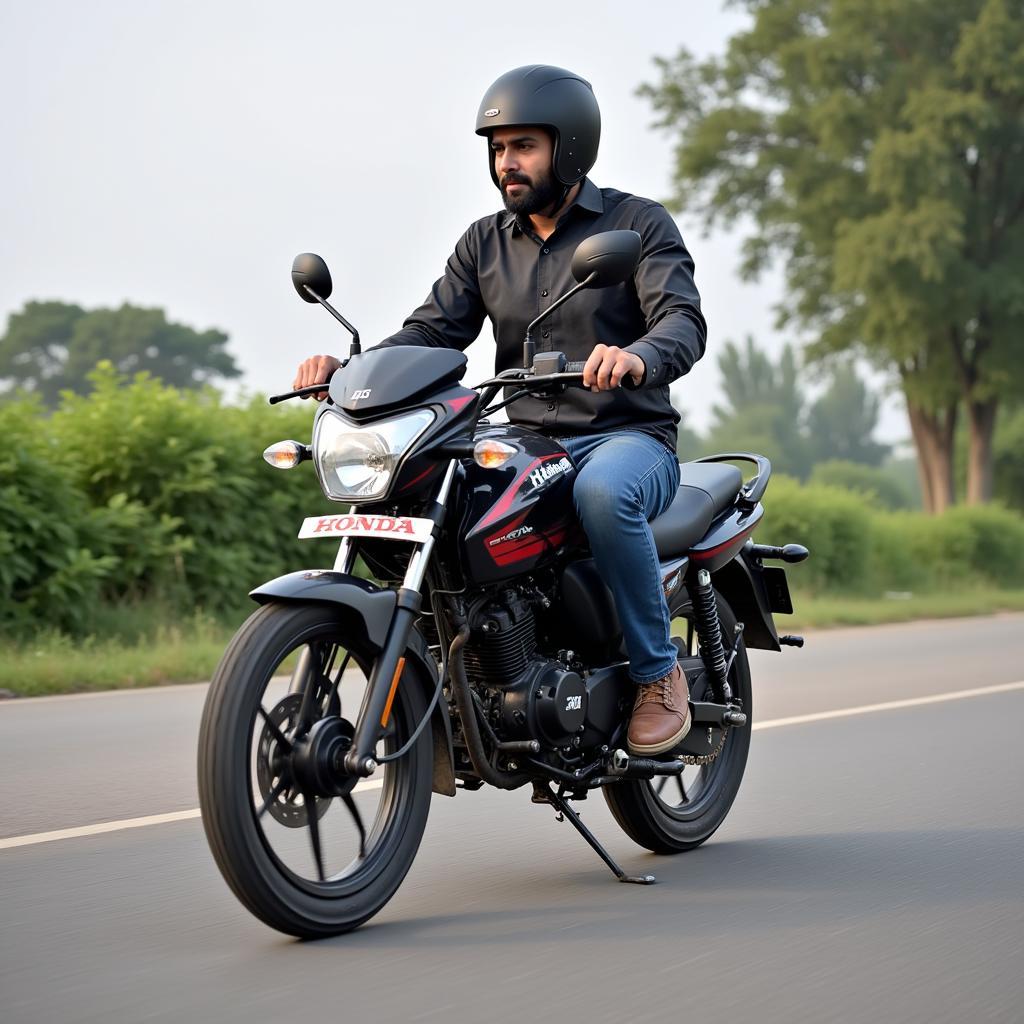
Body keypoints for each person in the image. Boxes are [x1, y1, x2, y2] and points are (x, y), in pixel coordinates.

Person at [293, 65, 707, 755]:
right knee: (434, 501)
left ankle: (658, 674)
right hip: (523, 439)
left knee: (603, 495)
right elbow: (430, 332)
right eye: (496, 148)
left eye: (523, 146)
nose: (505, 163)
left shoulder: (635, 225)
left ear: (569, 147)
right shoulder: (483, 243)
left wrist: (637, 356)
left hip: (624, 438)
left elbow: (681, 322)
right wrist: (349, 373)